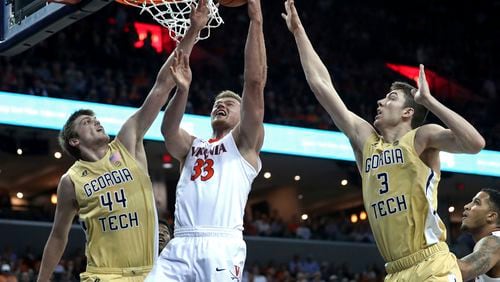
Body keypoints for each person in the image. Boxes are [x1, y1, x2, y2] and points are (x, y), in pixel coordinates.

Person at [281, 0, 485, 280]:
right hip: (394, 271)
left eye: (391, 97)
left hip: (432, 263)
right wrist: (298, 32)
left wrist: (430, 101)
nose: (380, 101)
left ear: (408, 112)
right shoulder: (366, 141)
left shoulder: (422, 137)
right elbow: (322, 85)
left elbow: (475, 144)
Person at [36, 2, 210, 281]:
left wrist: (193, 29)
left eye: (95, 119)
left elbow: (162, 85)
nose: (96, 122)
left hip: (150, 273)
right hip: (104, 275)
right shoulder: (72, 181)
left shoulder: (127, 141)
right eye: (86, 122)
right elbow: (58, 236)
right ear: (74, 142)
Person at [146, 0, 266, 280]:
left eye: (228, 103)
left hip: (221, 244)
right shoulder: (193, 146)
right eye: (216, 103)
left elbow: (254, 83)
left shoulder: (245, 143)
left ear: (242, 114)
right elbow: (168, 130)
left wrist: (256, 21)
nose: (219, 106)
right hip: (180, 243)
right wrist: (183, 91)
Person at [458, 188, 500, 281]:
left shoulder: (495, 242)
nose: (466, 206)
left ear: (491, 216)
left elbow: (461, 270)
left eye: (476, 202)